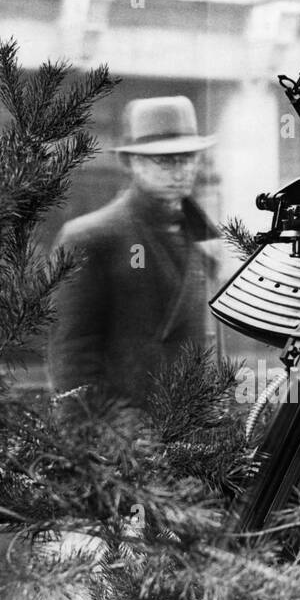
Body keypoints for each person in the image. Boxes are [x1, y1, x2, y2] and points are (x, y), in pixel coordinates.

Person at [48, 95, 220, 414]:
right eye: (166, 160)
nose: (181, 170)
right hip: (125, 442)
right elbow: (73, 358)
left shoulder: (200, 236)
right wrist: (107, 438)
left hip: (193, 432)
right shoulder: (91, 237)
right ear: (134, 163)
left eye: (188, 158)